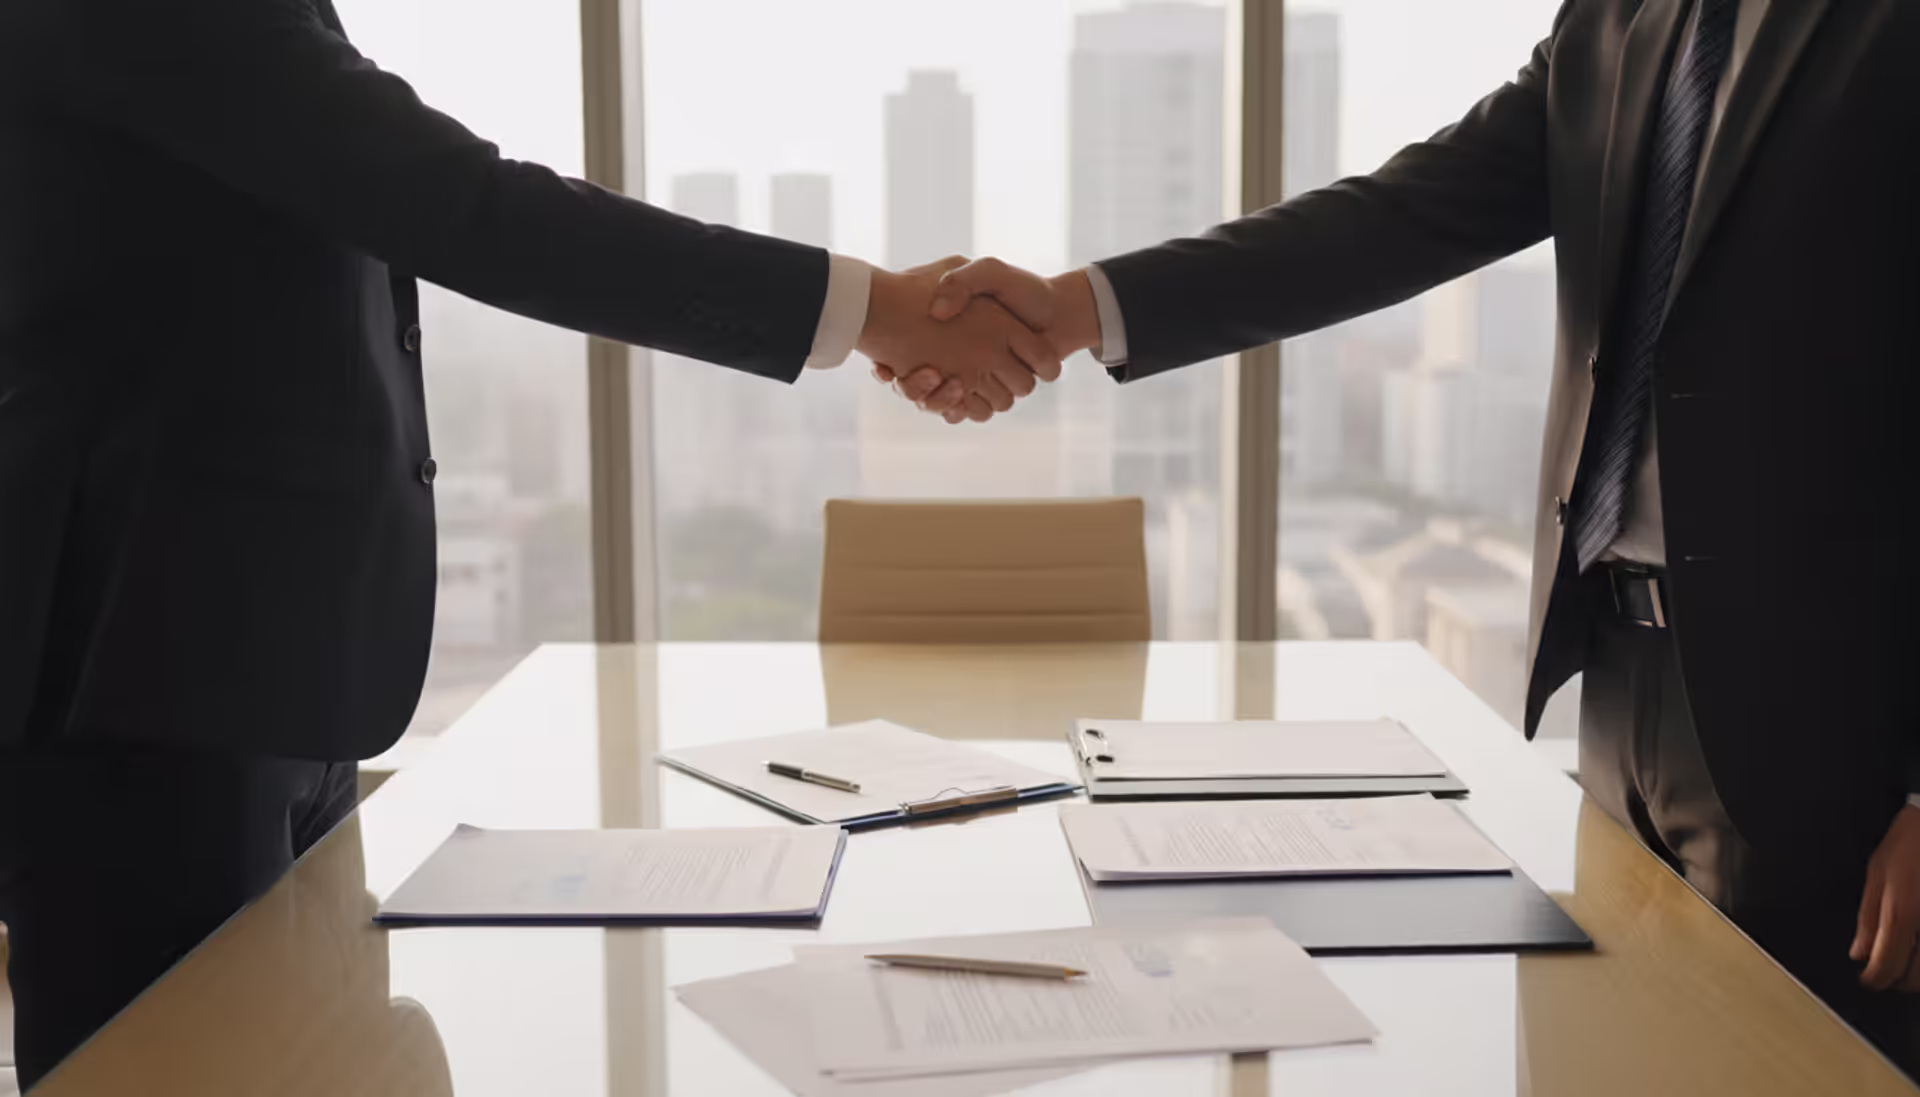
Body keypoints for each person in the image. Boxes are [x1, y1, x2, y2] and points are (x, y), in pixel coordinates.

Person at [0, 0, 1053, 1084]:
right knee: (152, 1067)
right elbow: (462, 205)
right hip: (136, 676)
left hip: (258, 662)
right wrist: (874, 308)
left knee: (294, 1056)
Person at [891, 0, 1920, 1068]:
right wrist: (1072, 308)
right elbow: (1397, 218)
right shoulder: (1619, 22)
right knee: (1598, 1063)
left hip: (1835, 717)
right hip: (1617, 684)